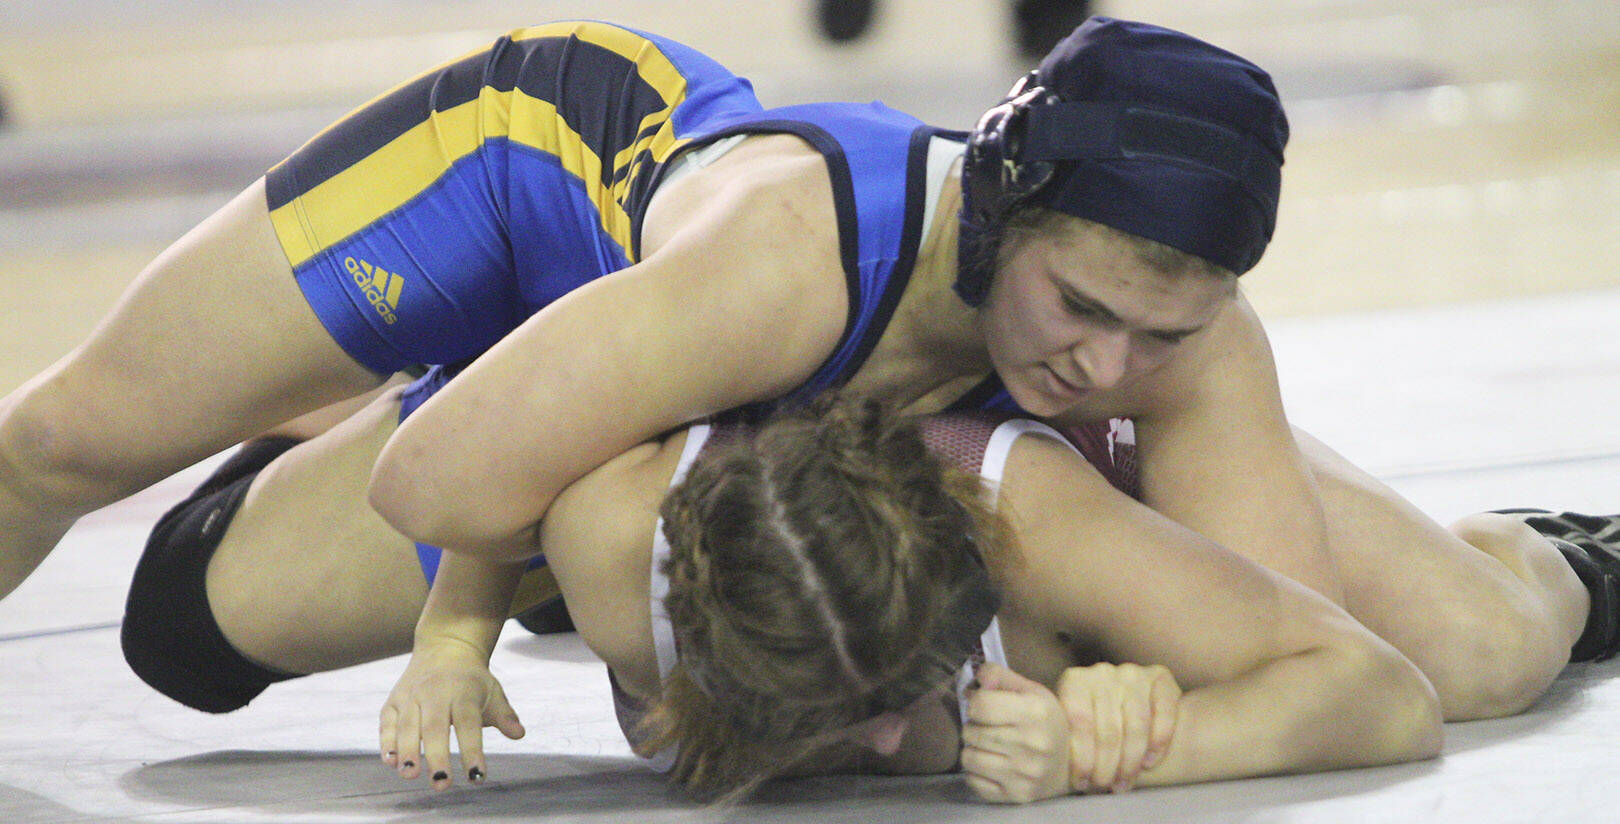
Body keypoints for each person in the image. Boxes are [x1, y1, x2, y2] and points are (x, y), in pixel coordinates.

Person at [2, 15, 1612, 727]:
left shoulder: (1156, 324)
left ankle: (1573, 554)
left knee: (1474, 647)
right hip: (528, 211)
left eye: (1162, 339)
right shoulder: (786, 271)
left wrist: (1151, 707)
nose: (1106, 366)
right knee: (109, 519)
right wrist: (468, 610)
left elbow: (1294, 656)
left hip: (693, 415)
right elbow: (446, 485)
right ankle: (358, 400)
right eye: (1077, 310)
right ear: (999, 209)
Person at [120, 390, 1442, 803]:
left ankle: (1547, 552)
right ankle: (321, 415)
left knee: (1489, 649)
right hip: (522, 438)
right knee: (178, 631)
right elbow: (494, 455)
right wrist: (450, 638)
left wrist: (1145, 745)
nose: (883, 740)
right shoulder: (598, 532)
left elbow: (1387, 693)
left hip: (1025, 470)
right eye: (845, 704)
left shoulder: (1031, 521)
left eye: (904, 684)